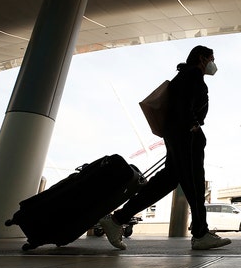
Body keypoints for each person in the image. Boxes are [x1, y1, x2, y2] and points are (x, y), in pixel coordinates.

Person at [99, 45, 231, 250]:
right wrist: (193, 126)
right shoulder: (192, 75)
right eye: (212, 58)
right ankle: (200, 233)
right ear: (202, 59)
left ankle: (118, 219)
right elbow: (183, 105)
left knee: (167, 180)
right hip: (186, 136)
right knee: (194, 183)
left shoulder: (185, 75)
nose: (214, 64)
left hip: (178, 135)